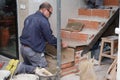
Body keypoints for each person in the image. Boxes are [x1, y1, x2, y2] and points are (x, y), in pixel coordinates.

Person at [16, 2, 60, 75]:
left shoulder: (29, 17)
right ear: (44, 10)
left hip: (23, 49)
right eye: (50, 13)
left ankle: (23, 68)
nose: (50, 15)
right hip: (33, 51)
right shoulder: (43, 21)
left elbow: (34, 33)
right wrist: (59, 42)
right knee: (43, 71)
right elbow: (50, 38)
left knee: (31, 70)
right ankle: (20, 67)